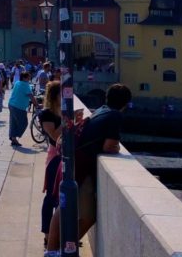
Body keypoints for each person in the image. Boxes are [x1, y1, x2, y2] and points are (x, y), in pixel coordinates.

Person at [45, 84, 132, 257]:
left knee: (63, 208)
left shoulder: (101, 110)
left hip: (73, 160)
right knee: (87, 215)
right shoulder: (115, 116)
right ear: (125, 104)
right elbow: (109, 146)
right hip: (81, 166)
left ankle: (54, 250)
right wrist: (115, 148)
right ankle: (60, 250)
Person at [38, 81, 63, 247]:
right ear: (55, 96)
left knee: (63, 200)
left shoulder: (64, 111)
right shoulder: (46, 114)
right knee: (51, 198)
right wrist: (68, 120)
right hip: (55, 158)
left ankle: (59, 233)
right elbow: (54, 136)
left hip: (67, 157)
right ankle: (48, 235)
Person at [7, 71, 37, 147]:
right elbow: (31, 96)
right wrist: (37, 105)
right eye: (28, 77)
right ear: (24, 78)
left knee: (13, 122)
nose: (29, 78)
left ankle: (13, 137)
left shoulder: (17, 82)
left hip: (12, 104)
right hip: (19, 107)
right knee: (24, 123)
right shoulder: (26, 85)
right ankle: (14, 137)